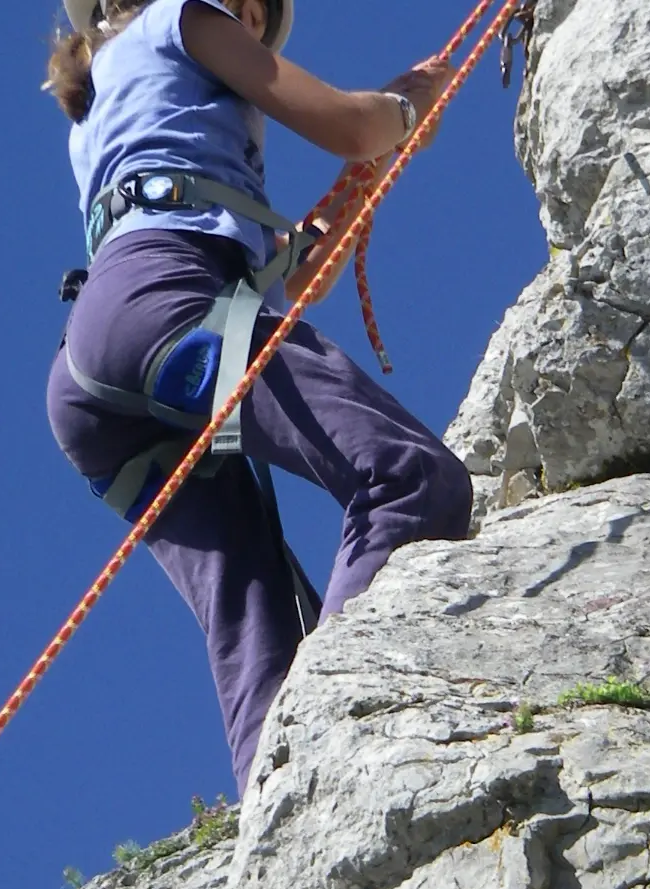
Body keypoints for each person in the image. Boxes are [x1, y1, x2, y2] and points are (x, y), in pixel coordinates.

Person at [41, 0, 475, 799]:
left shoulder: (109, 103)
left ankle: (275, 812)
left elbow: (294, 279)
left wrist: (379, 153)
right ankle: (335, 727)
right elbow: (350, 125)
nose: (243, 13)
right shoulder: (180, 20)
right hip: (167, 302)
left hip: (101, 360)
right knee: (410, 477)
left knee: (253, 618)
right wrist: (408, 104)